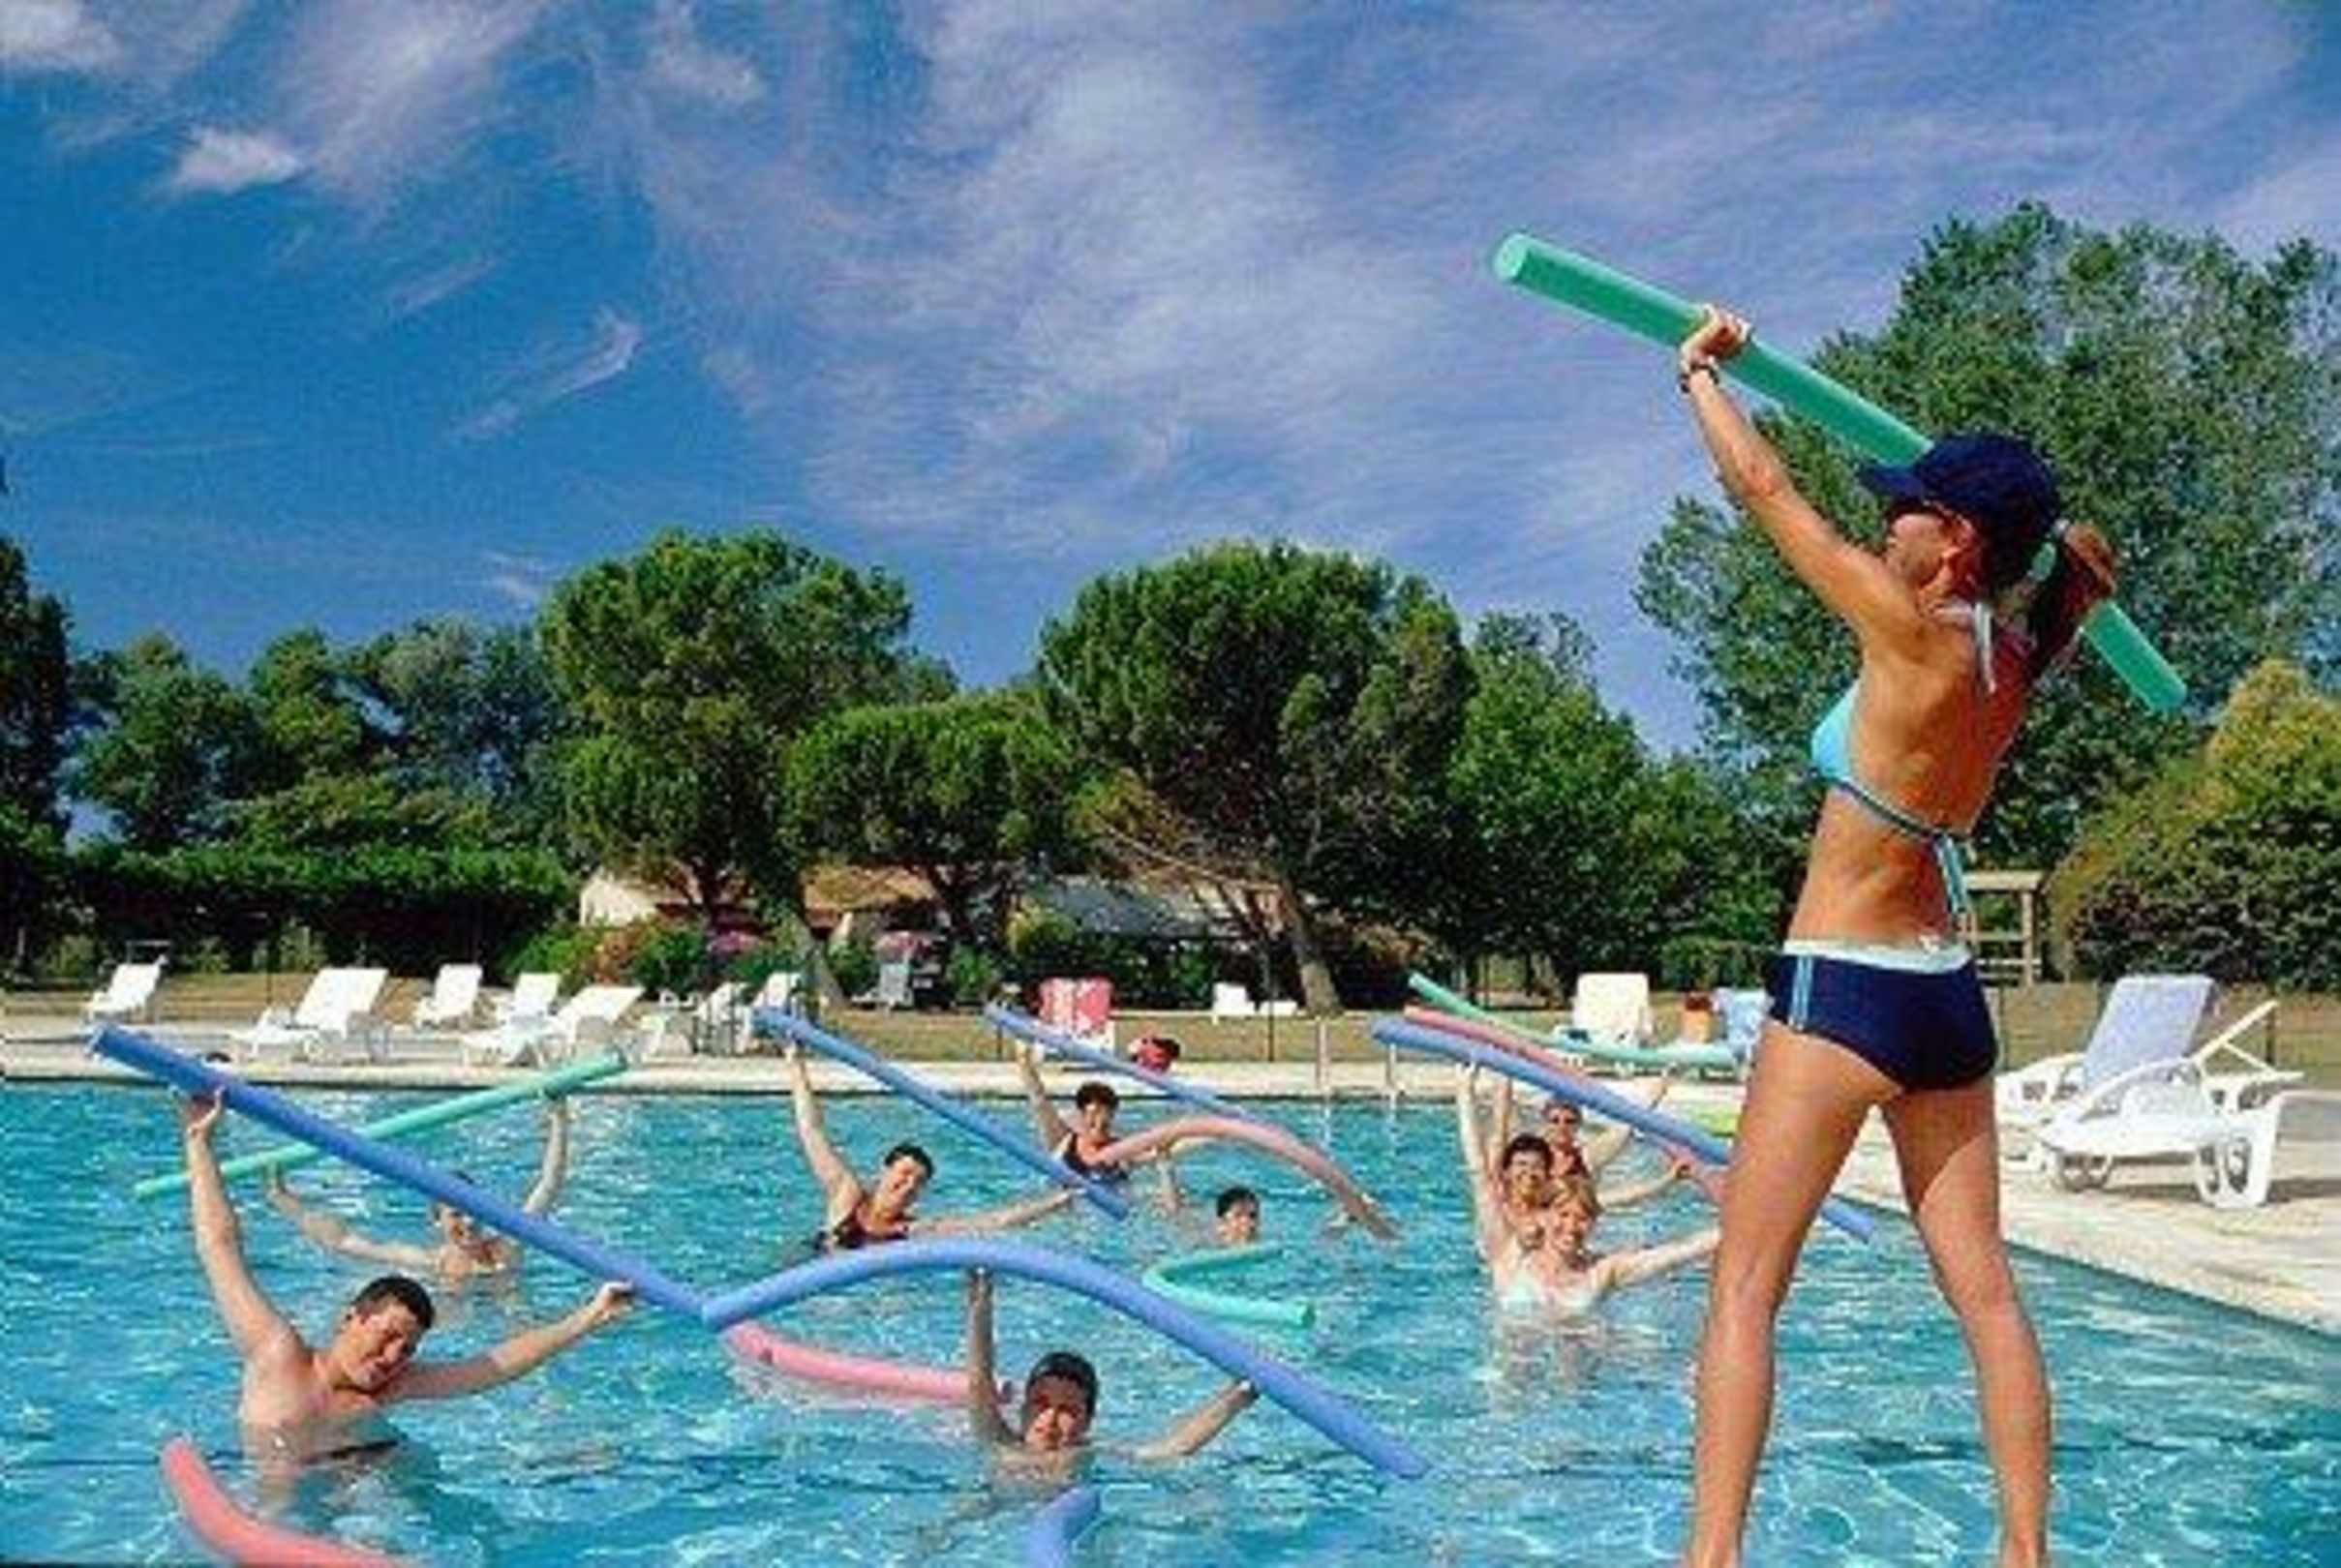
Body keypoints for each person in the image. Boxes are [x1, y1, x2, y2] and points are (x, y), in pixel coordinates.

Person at [1671, 306, 2113, 1568]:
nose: (1886, 523)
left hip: (1843, 987)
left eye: (1907, 508)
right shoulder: (2011, 662)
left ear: (1955, 539)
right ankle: (2024, 1553)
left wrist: (1699, 375)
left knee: (1744, 1290)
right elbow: (2055, 607)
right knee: (1985, 1292)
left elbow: (1766, 492)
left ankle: (1710, 1560)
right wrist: (2069, 584)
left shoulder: (1907, 626)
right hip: (1945, 998)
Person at [175, 1091, 632, 1469]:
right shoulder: (279, 1355)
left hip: (358, 1487)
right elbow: (220, 1247)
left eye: (408, 1348)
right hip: (272, 1501)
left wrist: (590, 1316)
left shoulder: (393, 1387)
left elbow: (492, 1367)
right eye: (389, 1336)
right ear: (351, 1317)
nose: (394, 1357)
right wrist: (199, 1143)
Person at [1456, 1070, 1714, 1318]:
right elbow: (1482, 1160)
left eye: (1569, 1121)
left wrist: (1665, 1181)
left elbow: (1675, 1249)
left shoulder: (1598, 1270)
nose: (1571, 1224)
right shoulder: (1505, 1246)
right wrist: (1467, 1089)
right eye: (1555, 1119)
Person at [962, 1270, 1256, 1475]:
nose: (1050, 1419)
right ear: (1023, 1408)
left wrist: (1240, 1394)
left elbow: (1171, 1449)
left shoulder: (1085, 1454)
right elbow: (979, 1381)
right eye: (1041, 1403)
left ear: (1087, 1423)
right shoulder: (999, 1440)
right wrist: (980, 1302)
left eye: (1068, 1411)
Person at [784, 1045, 1073, 1249]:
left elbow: (995, 1222)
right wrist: (795, 1062)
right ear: (885, 1170)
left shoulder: (914, 1230)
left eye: (918, 1182)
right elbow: (812, 1131)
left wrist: (1056, 1202)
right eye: (905, 1174)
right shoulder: (847, 1197)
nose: (909, 1184)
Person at [264, 1100, 570, 1283]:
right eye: (456, 1214)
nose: (468, 1221)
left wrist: (559, 1120)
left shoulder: (506, 1250)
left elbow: (549, 1185)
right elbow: (343, 1240)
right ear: (436, 1221)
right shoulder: (430, 1262)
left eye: (474, 1211)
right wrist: (282, 1199)